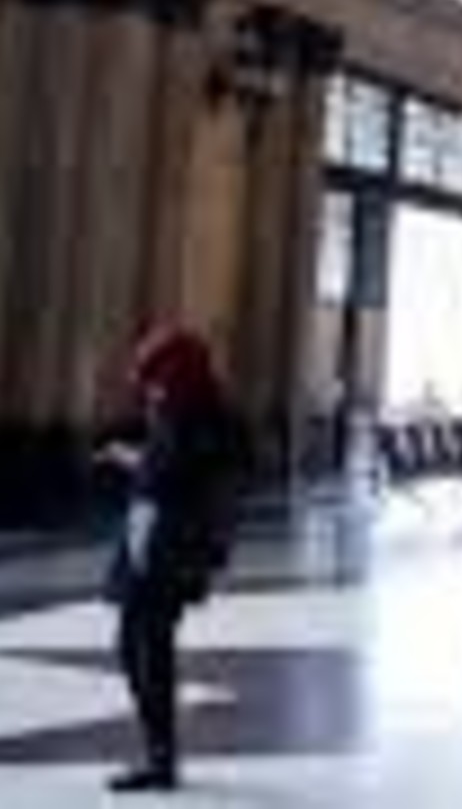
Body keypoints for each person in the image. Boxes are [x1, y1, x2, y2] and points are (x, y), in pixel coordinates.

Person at [98, 326, 247, 794]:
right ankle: (158, 754)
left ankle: (160, 759)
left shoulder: (200, 416)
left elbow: (175, 474)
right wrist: (138, 457)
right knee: (136, 646)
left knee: (147, 648)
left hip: (169, 547)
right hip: (151, 539)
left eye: (157, 376)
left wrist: (130, 459)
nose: (150, 387)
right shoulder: (180, 409)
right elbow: (167, 467)